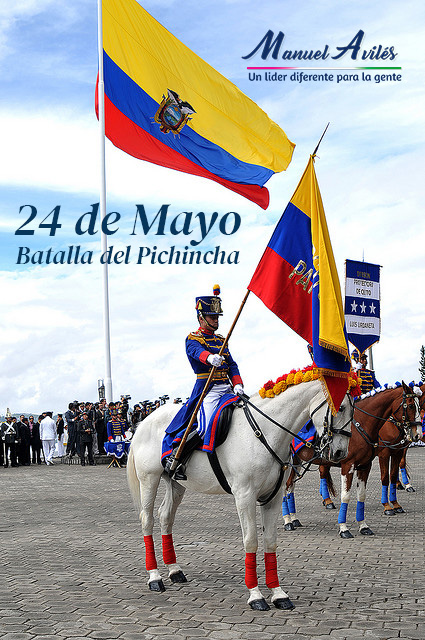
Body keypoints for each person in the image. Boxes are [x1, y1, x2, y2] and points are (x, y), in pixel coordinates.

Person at [163, 285, 243, 480]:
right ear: (201, 317)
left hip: (227, 388)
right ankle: (177, 459)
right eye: (212, 317)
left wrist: (238, 383)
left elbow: (232, 365)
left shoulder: (221, 340)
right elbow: (196, 352)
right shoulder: (192, 339)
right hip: (209, 390)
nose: (216, 320)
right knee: (203, 427)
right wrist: (209, 358)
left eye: (217, 317)